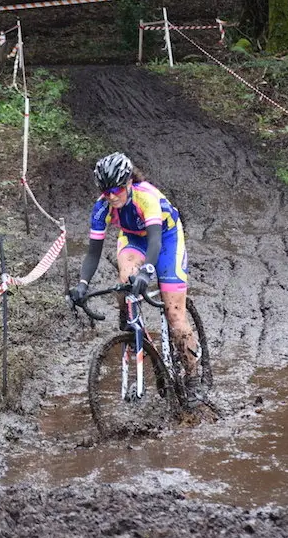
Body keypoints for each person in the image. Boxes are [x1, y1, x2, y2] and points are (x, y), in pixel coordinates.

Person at [68, 153, 201, 400]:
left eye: (117, 189)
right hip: (132, 239)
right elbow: (93, 253)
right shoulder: (102, 207)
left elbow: (155, 241)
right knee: (125, 281)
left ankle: (193, 377)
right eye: (106, 191)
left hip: (165, 238)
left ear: (129, 182)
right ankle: (129, 323)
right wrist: (82, 284)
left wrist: (147, 271)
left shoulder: (146, 196)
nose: (112, 196)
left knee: (174, 314)